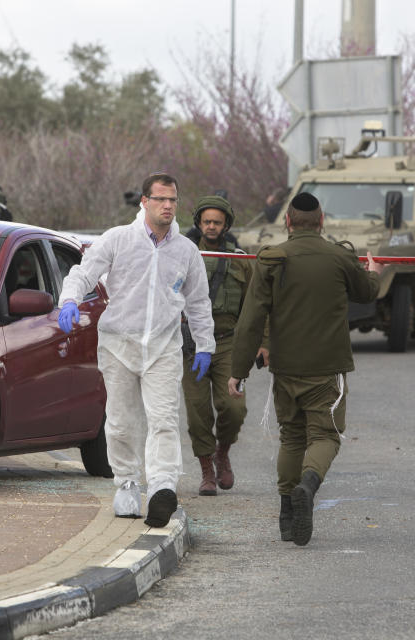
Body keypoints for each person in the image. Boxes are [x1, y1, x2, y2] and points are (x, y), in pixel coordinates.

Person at [57, 172, 215, 528]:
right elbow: (84, 272)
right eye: (160, 199)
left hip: (163, 346)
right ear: (144, 202)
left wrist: (205, 345)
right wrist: (69, 300)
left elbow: (199, 302)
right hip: (118, 343)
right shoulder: (118, 239)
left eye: (173, 200)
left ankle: (162, 486)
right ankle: (127, 483)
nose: (167, 206)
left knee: (163, 419)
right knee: (121, 421)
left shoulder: (186, 251)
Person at [228, 192, 382, 546]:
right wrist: (373, 273)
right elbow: (365, 292)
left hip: (285, 367)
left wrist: (238, 370)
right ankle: (308, 488)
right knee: (325, 436)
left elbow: (251, 318)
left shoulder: (271, 259)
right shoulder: (340, 257)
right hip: (327, 368)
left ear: (288, 222)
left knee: (292, 436)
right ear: (322, 221)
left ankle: (287, 513)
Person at [181, 194, 266, 496]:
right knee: (197, 411)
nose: (212, 226)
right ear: (199, 223)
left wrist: (263, 343)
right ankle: (206, 470)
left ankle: (222, 451)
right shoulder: (184, 255)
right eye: (207, 221)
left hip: (228, 343)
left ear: (226, 224)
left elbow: (257, 306)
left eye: (217, 222)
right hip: (189, 345)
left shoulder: (240, 260)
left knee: (234, 407)